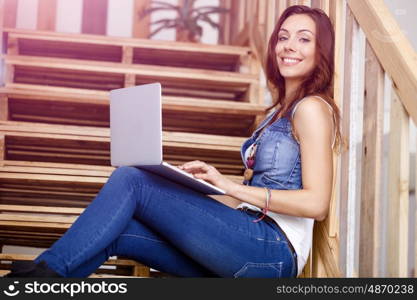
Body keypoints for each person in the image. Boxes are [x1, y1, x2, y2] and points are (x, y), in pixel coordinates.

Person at [5, 5, 342, 278]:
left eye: (303, 39)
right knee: (118, 231)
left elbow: (317, 203)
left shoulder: (311, 109)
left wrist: (232, 187)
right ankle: (47, 283)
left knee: (132, 179)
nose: (289, 47)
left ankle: (44, 274)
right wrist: (202, 187)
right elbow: (254, 199)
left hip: (271, 252)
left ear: (320, 51)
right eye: (283, 37)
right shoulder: (275, 114)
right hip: (245, 238)